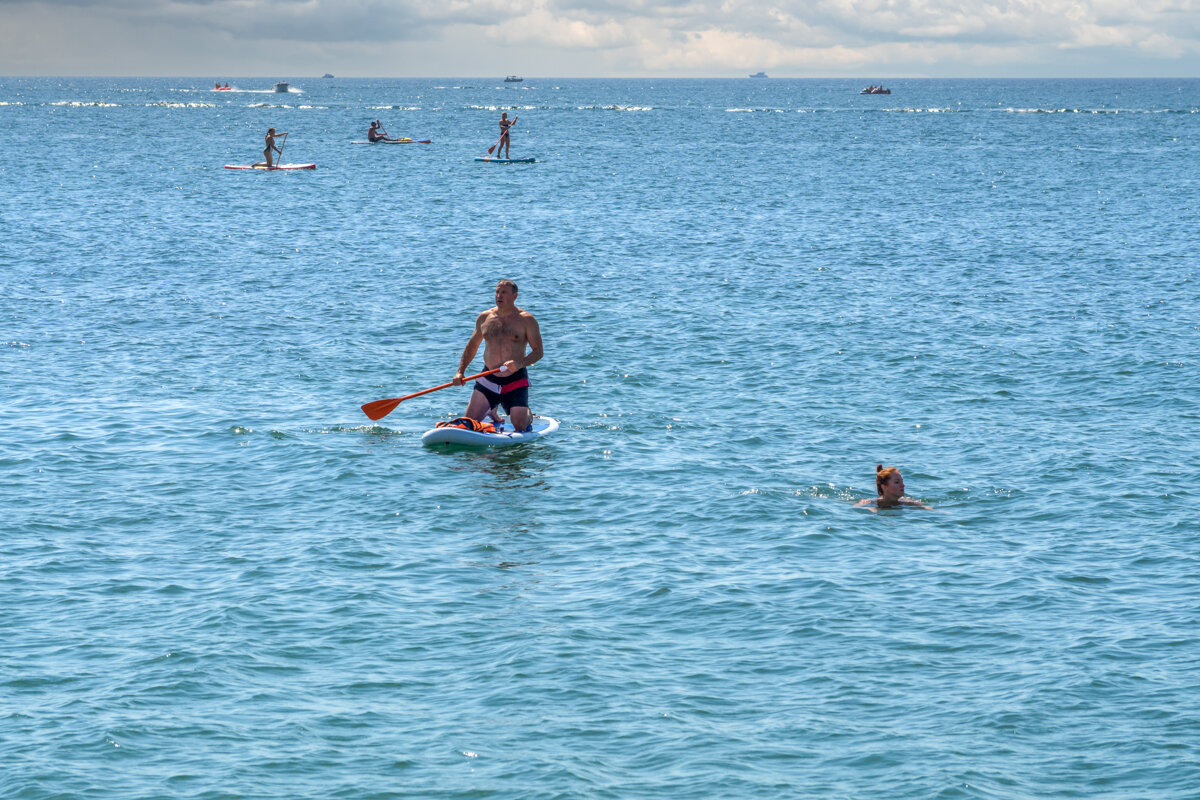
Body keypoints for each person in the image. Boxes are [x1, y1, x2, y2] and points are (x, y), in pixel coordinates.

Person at [452, 280, 543, 432]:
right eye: (497, 292)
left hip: (515, 379)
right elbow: (472, 346)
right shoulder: (485, 318)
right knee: (468, 424)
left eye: (504, 292)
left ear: (515, 296)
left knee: (520, 425)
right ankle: (491, 408)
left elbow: (539, 351)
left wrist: (520, 364)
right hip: (489, 377)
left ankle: (527, 413)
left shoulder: (527, 320)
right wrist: (460, 371)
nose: (499, 296)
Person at [855, 465, 934, 511]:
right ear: (884, 486)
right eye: (897, 482)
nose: (903, 485)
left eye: (902, 481)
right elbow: (855, 510)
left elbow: (930, 510)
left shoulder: (908, 503)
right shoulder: (869, 503)